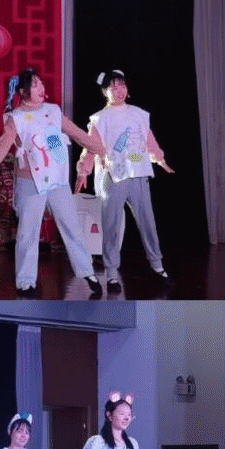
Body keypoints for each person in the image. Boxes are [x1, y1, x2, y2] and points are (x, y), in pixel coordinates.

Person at [0, 67, 106, 298]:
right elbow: (2, 147)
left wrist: (103, 150)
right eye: (35, 85)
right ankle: (25, 281)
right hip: (30, 183)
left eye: (41, 84)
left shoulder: (53, 111)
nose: (41, 88)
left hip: (58, 181)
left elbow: (77, 134)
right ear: (23, 92)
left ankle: (87, 272)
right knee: (27, 234)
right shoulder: (16, 118)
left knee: (71, 227)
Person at [75, 69, 174, 294]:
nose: (119, 90)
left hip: (138, 173)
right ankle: (111, 273)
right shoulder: (100, 119)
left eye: (122, 86)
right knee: (111, 226)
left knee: (148, 222)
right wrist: (83, 171)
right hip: (113, 176)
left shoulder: (139, 114)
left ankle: (157, 266)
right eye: (113, 87)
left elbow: (149, 141)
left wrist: (159, 159)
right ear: (105, 92)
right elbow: (90, 148)